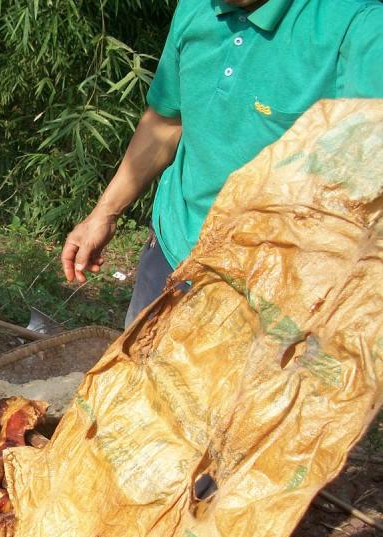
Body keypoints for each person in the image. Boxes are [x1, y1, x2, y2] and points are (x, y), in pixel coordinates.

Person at [60, 0, 383, 328]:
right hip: (174, 251)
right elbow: (167, 122)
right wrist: (104, 213)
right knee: (137, 374)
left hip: (279, 280)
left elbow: (366, 174)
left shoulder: (358, 22)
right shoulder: (195, 8)